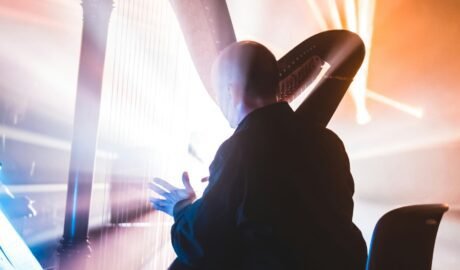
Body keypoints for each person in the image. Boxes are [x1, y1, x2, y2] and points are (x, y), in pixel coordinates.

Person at [150, 41, 367, 270]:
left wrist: (182, 207)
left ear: (230, 90)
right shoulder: (329, 142)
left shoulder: (239, 149)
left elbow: (202, 242)